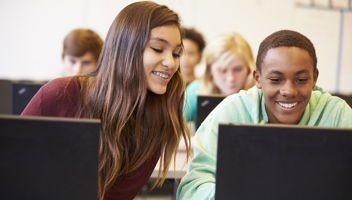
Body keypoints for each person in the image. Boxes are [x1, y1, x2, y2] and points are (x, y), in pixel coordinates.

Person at [21, 1, 191, 200]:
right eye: (157, 49)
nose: (171, 62)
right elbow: (12, 166)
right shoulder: (60, 93)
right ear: (125, 48)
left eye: (176, 53)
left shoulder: (159, 117)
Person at [176, 29, 352, 199]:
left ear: (314, 78)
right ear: (257, 78)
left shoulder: (336, 114)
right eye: (276, 80)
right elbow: (192, 188)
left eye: (301, 80)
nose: (288, 91)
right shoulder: (232, 111)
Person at [183, 32, 255, 124]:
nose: (231, 78)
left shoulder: (260, 95)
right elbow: (172, 131)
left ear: (249, 68)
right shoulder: (195, 90)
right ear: (209, 69)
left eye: (238, 69)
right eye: (222, 71)